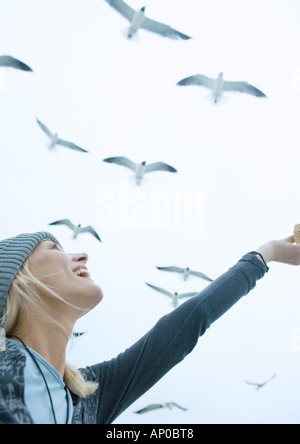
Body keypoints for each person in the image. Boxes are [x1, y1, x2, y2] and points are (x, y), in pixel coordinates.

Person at [0, 231, 300, 424]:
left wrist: (267, 253)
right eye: (53, 248)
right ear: (17, 277)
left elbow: (189, 321)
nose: (81, 255)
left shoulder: (87, 400)